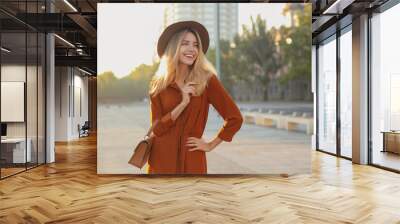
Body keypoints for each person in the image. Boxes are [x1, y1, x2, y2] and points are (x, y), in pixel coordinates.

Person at [147, 20, 243, 174]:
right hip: (161, 161)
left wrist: (211, 145)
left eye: (195, 45)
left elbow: (235, 118)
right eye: (185, 43)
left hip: (192, 162)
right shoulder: (159, 84)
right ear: (174, 48)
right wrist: (183, 103)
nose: (192, 49)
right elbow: (157, 130)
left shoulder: (207, 80)